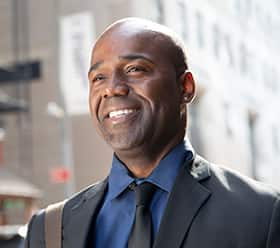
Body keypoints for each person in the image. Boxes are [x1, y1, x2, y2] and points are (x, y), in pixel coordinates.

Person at [25, 18, 280, 248]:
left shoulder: (263, 213)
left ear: (186, 87)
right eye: (99, 77)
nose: (112, 89)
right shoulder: (49, 230)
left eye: (135, 69)